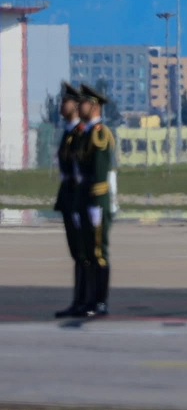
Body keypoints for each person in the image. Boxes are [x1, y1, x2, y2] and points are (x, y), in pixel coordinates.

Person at [74, 83, 116, 317]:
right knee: (89, 254)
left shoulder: (100, 133)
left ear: (94, 106)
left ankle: (100, 301)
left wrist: (96, 205)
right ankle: (90, 300)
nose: (80, 106)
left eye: (84, 103)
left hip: (97, 202)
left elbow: (100, 171)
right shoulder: (85, 133)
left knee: (99, 253)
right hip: (87, 201)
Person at [53, 82, 85, 318]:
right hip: (68, 198)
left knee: (83, 254)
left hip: (78, 199)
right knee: (76, 254)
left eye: (66, 101)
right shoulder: (67, 132)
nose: (62, 105)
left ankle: (85, 301)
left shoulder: (81, 133)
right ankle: (79, 300)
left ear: (75, 105)